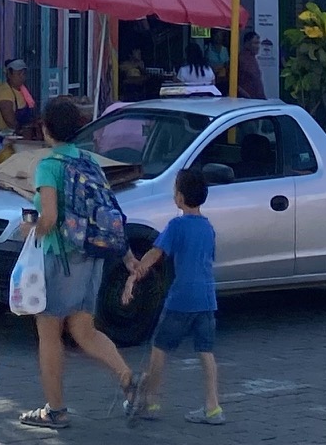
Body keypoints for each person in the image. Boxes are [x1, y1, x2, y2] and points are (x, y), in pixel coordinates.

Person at [17, 96, 138, 430]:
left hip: (61, 257)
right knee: (84, 330)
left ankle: (55, 410)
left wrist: (30, 229)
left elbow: (50, 217)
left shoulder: (49, 165)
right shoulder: (88, 161)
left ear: (45, 128)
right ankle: (126, 376)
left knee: (49, 333)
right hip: (91, 255)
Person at [123, 166, 223, 426]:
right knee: (206, 352)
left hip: (181, 298)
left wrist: (135, 274)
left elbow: (155, 254)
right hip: (207, 298)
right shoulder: (208, 228)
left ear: (178, 197)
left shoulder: (176, 226)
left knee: (160, 349)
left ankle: (151, 401)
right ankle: (213, 406)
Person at [0, 58, 39, 138]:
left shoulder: (24, 91)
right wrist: (24, 131)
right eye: (19, 74)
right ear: (9, 74)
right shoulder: (4, 93)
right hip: (6, 138)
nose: (22, 77)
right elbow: (10, 122)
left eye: (24, 74)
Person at [235, 30, 265, 100]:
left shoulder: (252, 58)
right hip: (247, 99)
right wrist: (245, 95)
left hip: (256, 98)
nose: (258, 46)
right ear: (247, 43)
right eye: (255, 43)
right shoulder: (242, 58)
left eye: (258, 43)